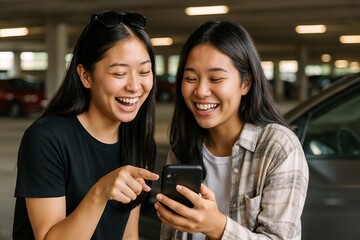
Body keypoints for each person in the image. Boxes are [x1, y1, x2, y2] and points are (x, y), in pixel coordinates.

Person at [154, 20, 309, 240]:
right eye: (190, 78)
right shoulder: (183, 148)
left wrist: (217, 226)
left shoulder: (278, 147)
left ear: (246, 84)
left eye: (215, 78)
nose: (201, 91)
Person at [13, 10, 159, 240]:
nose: (135, 86)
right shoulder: (47, 138)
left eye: (144, 71)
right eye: (120, 73)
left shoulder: (139, 141)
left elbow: (129, 235)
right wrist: (100, 192)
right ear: (86, 76)